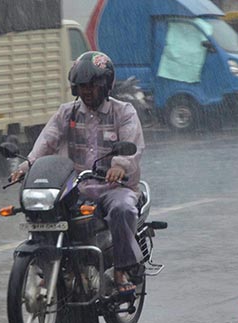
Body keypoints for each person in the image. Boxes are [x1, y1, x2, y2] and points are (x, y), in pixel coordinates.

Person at [10, 51, 145, 295]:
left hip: (114, 187)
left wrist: (119, 165)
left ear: (105, 85)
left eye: (92, 85)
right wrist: (26, 165)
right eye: (81, 86)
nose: (86, 90)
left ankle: (121, 269)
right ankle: (51, 270)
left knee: (122, 209)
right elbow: (46, 142)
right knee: (43, 213)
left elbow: (132, 145)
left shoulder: (124, 112)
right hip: (75, 187)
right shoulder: (66, 113)